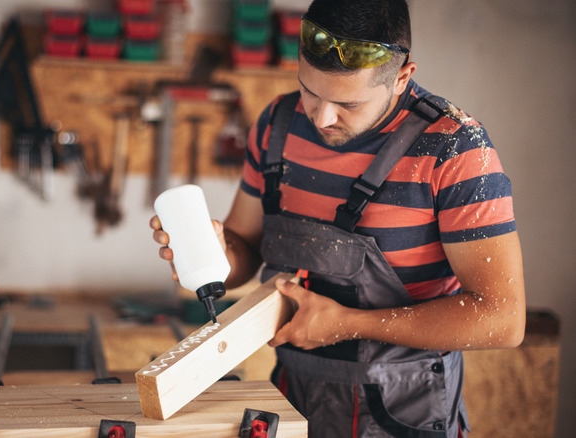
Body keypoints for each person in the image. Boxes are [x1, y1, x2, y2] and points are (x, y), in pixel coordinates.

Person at [150, 0, 525, 436]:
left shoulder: (455, 149)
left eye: (347, 103)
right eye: (310, 91)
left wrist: (347, 325)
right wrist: (215, 254)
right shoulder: (277, 123)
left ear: (402, 77)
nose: (322, 117)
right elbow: (245, 253)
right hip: (292, 404)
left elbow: (502, 317)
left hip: (406, 414)